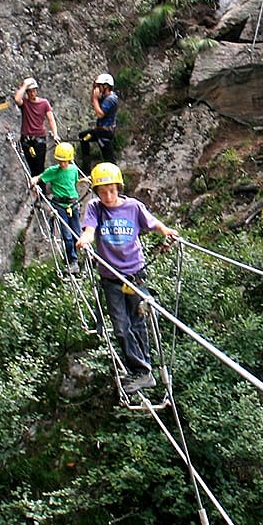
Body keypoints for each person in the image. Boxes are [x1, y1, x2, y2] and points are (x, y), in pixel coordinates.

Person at [76, 162, 178, 389]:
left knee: (138, 322)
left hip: (135, 273)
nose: (108, 196)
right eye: (103, 191)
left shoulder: (133, 207)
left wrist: (166, 231)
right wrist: (85, 239)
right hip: (111, 277)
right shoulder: (95, 208)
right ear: (96, 192)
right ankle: (138, 370)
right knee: (121, 327)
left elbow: (153, 224)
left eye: (112, 190)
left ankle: (143, 371)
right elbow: (90, 230)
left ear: (119, 187)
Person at [30, 141, 89, 270]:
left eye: (65, 161)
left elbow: (72, 183)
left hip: (73, 204)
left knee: (77, 233)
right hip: (60, 205)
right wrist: (35, 180)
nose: (63, 163)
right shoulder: (53, 171)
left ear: (69, 160)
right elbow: (41, 176)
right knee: (67, 235)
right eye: (60, 161)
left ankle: (81, 259)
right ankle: (72, 261)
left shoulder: (74, 170)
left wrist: (82, 181)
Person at [13, 77, 59, 177]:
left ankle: (41, 190)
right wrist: (24, 85)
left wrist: (55, 134)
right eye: (30, 91)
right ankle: (36, 190)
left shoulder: (44, 103)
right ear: (27, 92)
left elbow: (51, 119)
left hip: (39, 139)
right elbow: (17, 99)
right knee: (32, 168)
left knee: (40, 168)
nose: (32, 93)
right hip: (26, 140)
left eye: (34, 91)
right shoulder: (25, 103)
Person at [78, 72, 120, 166]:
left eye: (100, 86)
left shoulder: (110, 99)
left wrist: (96, 99)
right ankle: (86, 166)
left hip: (105, 132)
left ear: (106, 86)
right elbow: (93, 102)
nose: (99, 88)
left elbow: (100, 114)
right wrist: (94, 92)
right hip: (99, 131)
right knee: (83, 138)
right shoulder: (106, 97)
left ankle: (113, 173)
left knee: (109, 158)